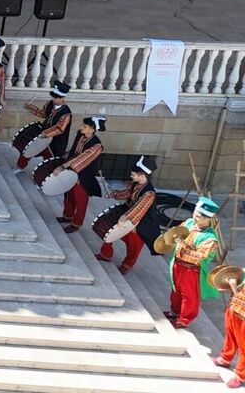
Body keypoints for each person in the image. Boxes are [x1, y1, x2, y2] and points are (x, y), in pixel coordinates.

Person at [96, 156, 161, 275]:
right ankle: (105, 253)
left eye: (133, 175)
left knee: (134, 245)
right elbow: (127, 193)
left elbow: (139, 208)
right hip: (127, 212)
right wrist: (113, 194)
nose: (131, 176)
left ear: (142, 176)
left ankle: (128, 264)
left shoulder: (149, 193)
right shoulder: (135, 183)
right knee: (109, 231)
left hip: (142, 221)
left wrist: (124, 217)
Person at [166, 196, 222, 329]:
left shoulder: (210, 238)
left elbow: (199, 257)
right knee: (176, 290)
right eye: (195, 214)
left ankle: (184, 319)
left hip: (191, 270)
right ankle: (175, 311)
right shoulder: (189, 223)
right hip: (177, 264)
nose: (194, 217)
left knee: (189, 295)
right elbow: (176, 233)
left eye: (198, 216)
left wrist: (183, 245)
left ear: (207, 219)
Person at [59, 115, 106, 233]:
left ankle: (76, 223)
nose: (81, 128)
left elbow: (82, 159)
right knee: (69, 195)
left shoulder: (97, 146)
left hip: (84, 175)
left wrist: (64, 166)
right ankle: (67, 216)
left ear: (92, 129)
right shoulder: (80, 135)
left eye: (85, 126)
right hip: (71, 169)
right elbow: (74, 150)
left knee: (80, 200)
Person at [15, 81, 73, 174]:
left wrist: (46, 133)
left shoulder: (66, 113)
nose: (53, 99)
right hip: (43, 134)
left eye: (56, 97)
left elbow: (60, 128)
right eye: (53, 97)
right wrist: (30, 108)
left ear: (62, 98)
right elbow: (43, 114)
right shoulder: (50, 104)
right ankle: (20, 167)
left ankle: (45, 179)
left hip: (55, 141)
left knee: (50, 161)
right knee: (28, 148)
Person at [213, 264, 245, 387]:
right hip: (234, 308)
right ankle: (225, 358)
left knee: (244, 346)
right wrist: (227, 284)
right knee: (230, 335)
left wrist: (233, 287)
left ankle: (240, 376)